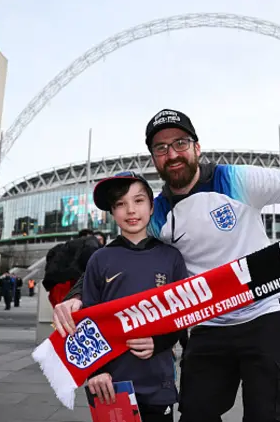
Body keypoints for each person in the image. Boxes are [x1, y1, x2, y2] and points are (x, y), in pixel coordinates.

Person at [59, 108, 280, 422]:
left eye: (180, 143)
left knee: (267, 412)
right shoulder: (157, 213)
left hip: (266, 312)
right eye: (161, 147)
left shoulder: (234, 179)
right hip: (208, 321)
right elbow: (125, 251)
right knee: (197, 411)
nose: (172, 153)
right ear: (154, 158)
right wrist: (77, 295)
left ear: (196, 148)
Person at [53, 172, 188, 421]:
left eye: (138, 201)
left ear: (151, 206)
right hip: (111, 386)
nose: (130, 210)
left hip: (159, 383)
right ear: (112, 212)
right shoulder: (100, 259)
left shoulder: (172, 258)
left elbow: (181, 316)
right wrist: (96, 371)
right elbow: (87, 323)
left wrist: (160, 342)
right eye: (120, 204)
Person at [42, 229, 100, 308]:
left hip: (55, 284)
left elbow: (50, 256)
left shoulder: (63, 246)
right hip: (72, 283)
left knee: (61, 313)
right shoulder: (90, 242)